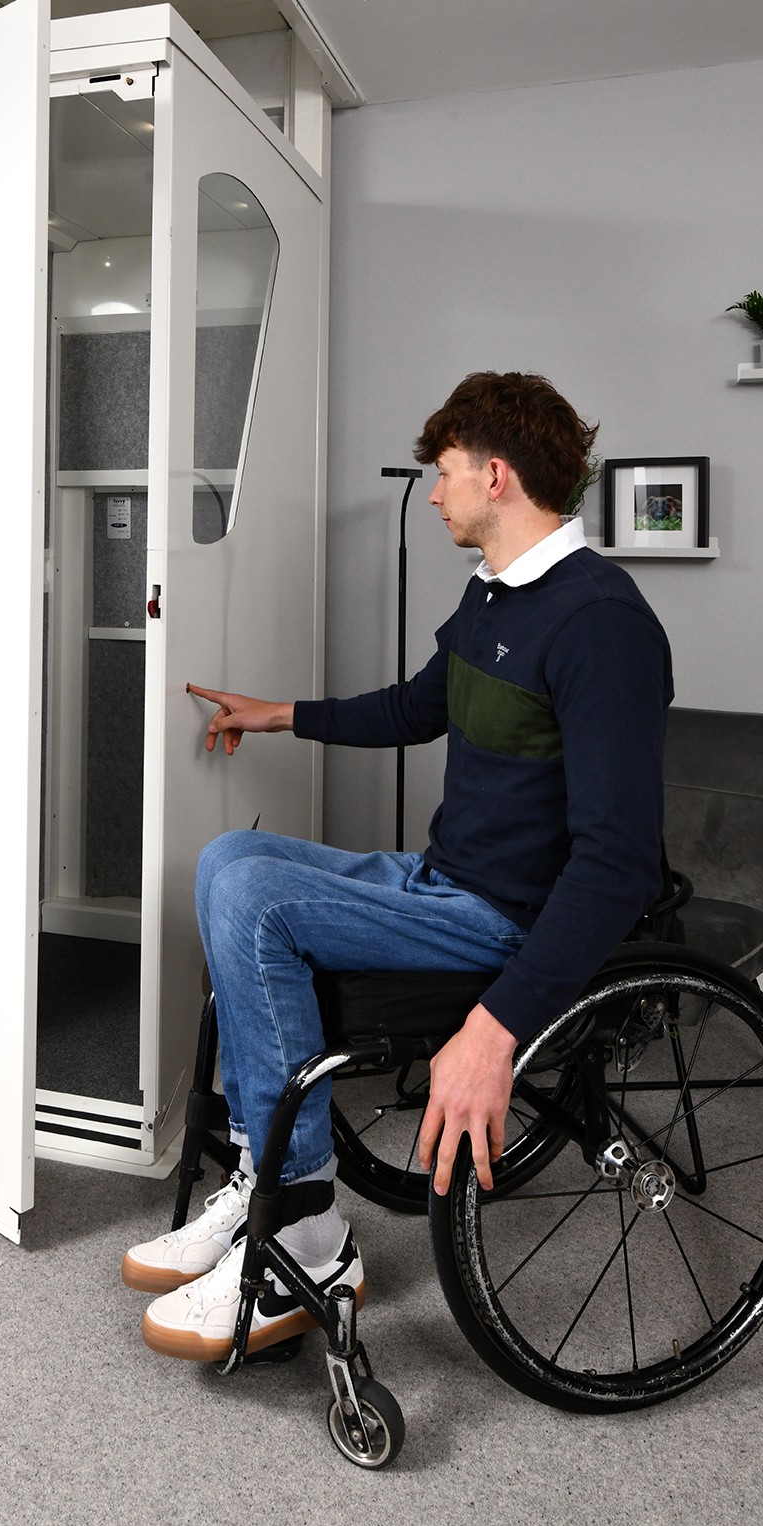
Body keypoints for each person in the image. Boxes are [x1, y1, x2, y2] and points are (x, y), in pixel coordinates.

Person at [122, 370, 673, 1363]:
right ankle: (267, 1178)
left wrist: (496, 1028)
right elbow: (418, 707)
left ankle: (307, 1232)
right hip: (440, 882)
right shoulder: (496, 593)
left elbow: (620, 858)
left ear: (495, 475)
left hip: (507, 918)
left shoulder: (601, 623)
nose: (433, 491)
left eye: (445, 471)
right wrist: (277, 711)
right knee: (228, 857)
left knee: (250, 894)